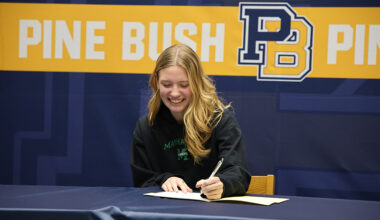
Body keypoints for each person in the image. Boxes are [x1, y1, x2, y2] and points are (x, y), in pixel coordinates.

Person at [130, 44, 251, 200]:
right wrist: (164, 180)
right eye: (167, 84)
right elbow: (142, 180)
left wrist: (222, 184)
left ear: (197, 82)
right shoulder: (146, 128)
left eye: (184, 85)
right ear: (156, 81)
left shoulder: (221, 121)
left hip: (212, 212)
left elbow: (239, 173)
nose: (174, 93)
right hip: (162, 213)